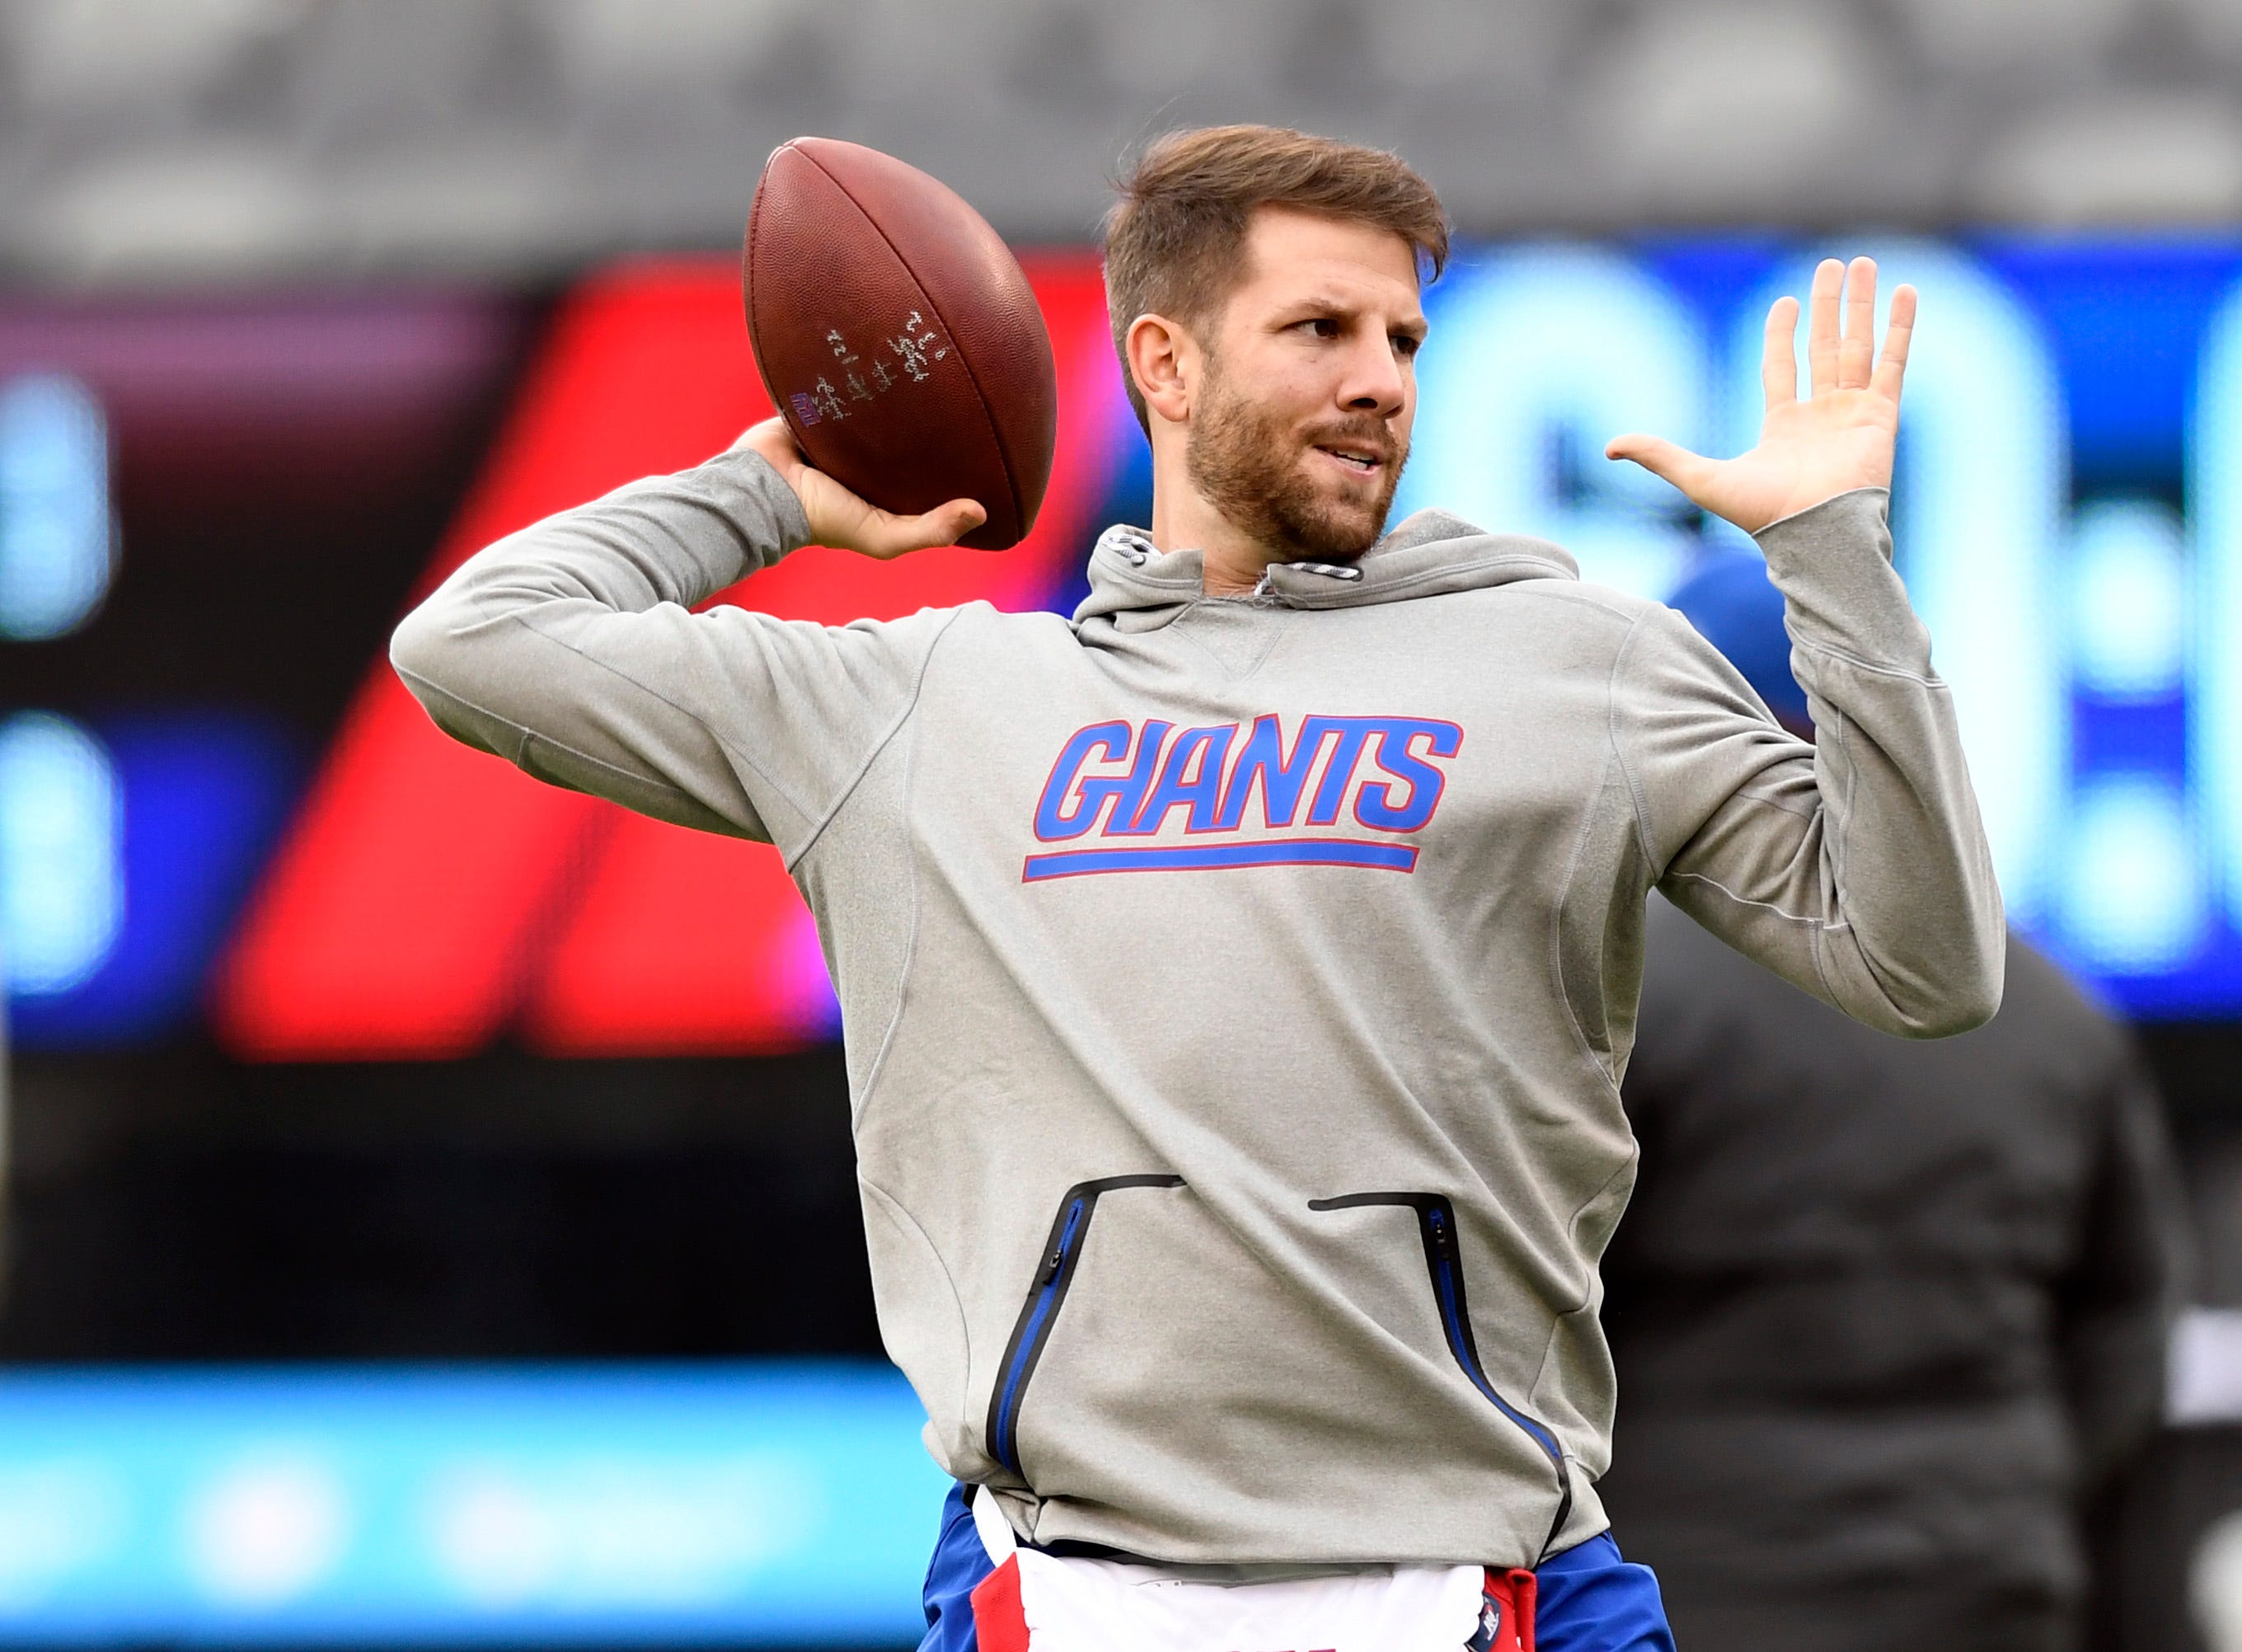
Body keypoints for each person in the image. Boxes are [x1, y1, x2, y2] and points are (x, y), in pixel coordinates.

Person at [388, 125, 2003, 1650]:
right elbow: (472, 645)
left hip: (1478, 1580)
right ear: (1161, 360)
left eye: (1404, 341)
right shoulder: (925, 704)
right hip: (1074, 1587)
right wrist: (770, 496)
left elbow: (1923, 965)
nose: (1379, 382)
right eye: (1319, 328)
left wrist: (1831, 557)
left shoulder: (1576, 662)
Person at [1599, 552, 2184, 1652]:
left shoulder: (1625, 994)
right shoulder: (2049, 1009)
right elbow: (2132, 1331)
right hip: (1985, 1582)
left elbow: (1518, 1309)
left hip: (1698, 1585)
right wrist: (2013, 1483)